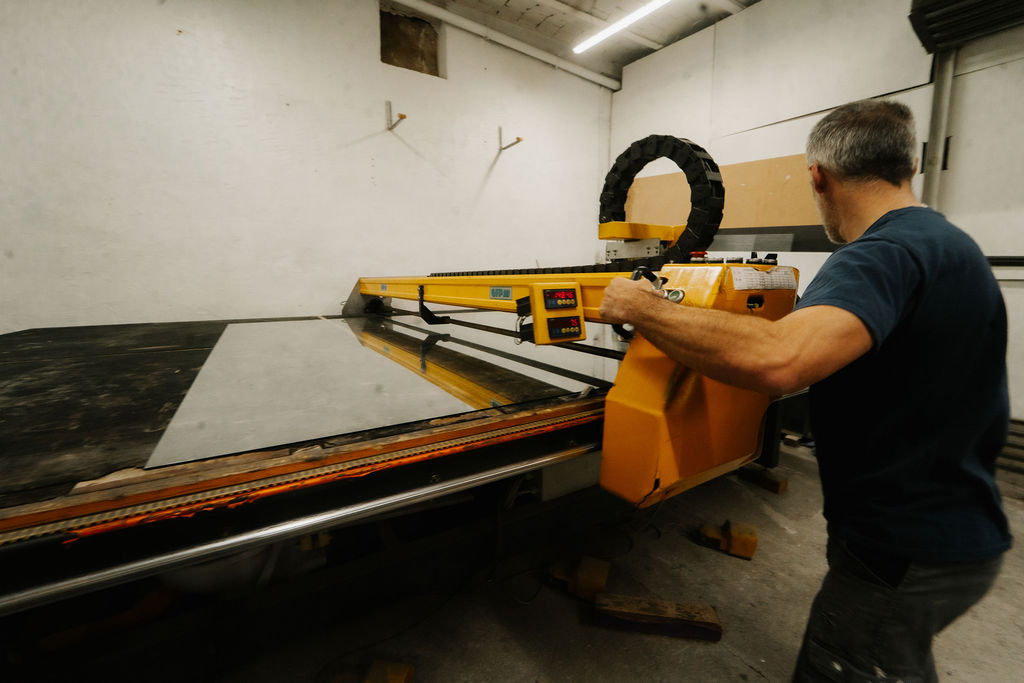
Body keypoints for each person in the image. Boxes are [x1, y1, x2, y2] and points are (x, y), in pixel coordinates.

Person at [599, 99, 1011, 682]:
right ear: (912, 164)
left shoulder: (880, 256)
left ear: (818, 176)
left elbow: (780, 359)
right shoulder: (949, 244)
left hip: (902, 547)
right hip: (958, 529)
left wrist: (644, 308)